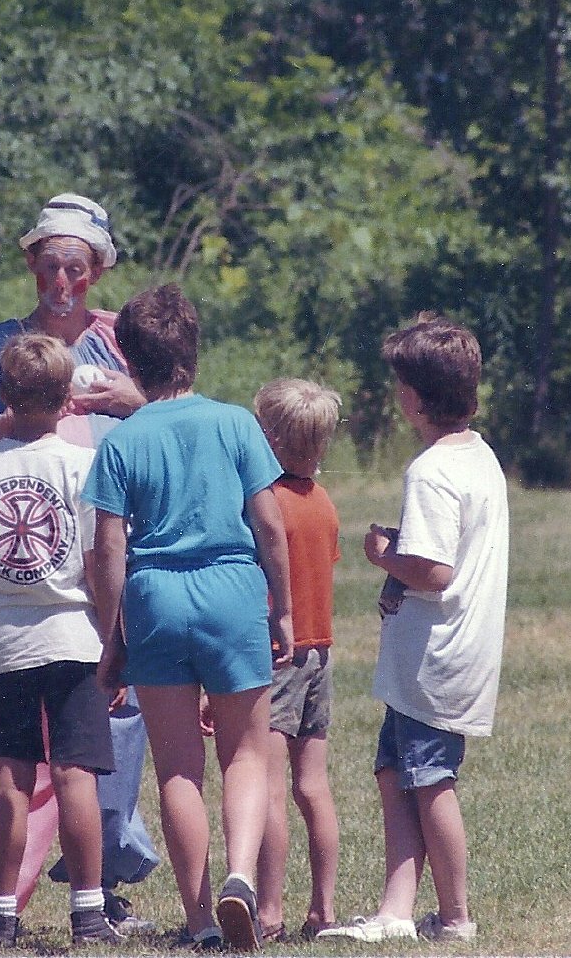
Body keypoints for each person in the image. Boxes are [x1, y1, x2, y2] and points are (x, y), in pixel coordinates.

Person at [0, 194, 159, 947]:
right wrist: (8, 428)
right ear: (31, 264)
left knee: (106, 746)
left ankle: (101, 891)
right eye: (50, 265)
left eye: (79, 268)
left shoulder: (124, 344)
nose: (63, 282)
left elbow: (173, 424)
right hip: (17, 588)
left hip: (109, 573)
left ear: (97, 271)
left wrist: (135, 402)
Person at [83, 284, 295, 952]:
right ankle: (240, 877)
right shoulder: (235, 423)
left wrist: (111, 637)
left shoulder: (122, 440)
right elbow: (270, 526)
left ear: (129, 360)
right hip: (232, 592)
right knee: (245, 754)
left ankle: (202, 922)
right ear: (193, 354)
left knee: (178, 767)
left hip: (155, 598)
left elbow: (109, 547)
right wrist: (282, 609)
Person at [317, 314, 508, 945]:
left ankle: (454, 915)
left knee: (429, 782)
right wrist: (402, 562)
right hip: (447, 651)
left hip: (436, 656)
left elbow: (434, 570)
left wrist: (382, 556)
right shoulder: (478, 456)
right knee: (395, 773)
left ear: (412, 396)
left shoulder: (429, 470)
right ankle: (396, 911)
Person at [0, 334, 122, 949]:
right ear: (70, 399)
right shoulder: (83, 467)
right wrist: (114, 640)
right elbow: (98, 565)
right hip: (75, 642)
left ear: (4, 397)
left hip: (4, 649)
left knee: (9, 782)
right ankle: (89, 915)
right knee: (76, 778)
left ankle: (1, 916)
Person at [250, 379, 343, 944]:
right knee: (314, 786)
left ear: (272, 435)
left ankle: (269, 909)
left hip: (277, 655)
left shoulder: (268, 504)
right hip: (320, 654)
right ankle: (325, 907)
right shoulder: (323, 504)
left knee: (268, 783)